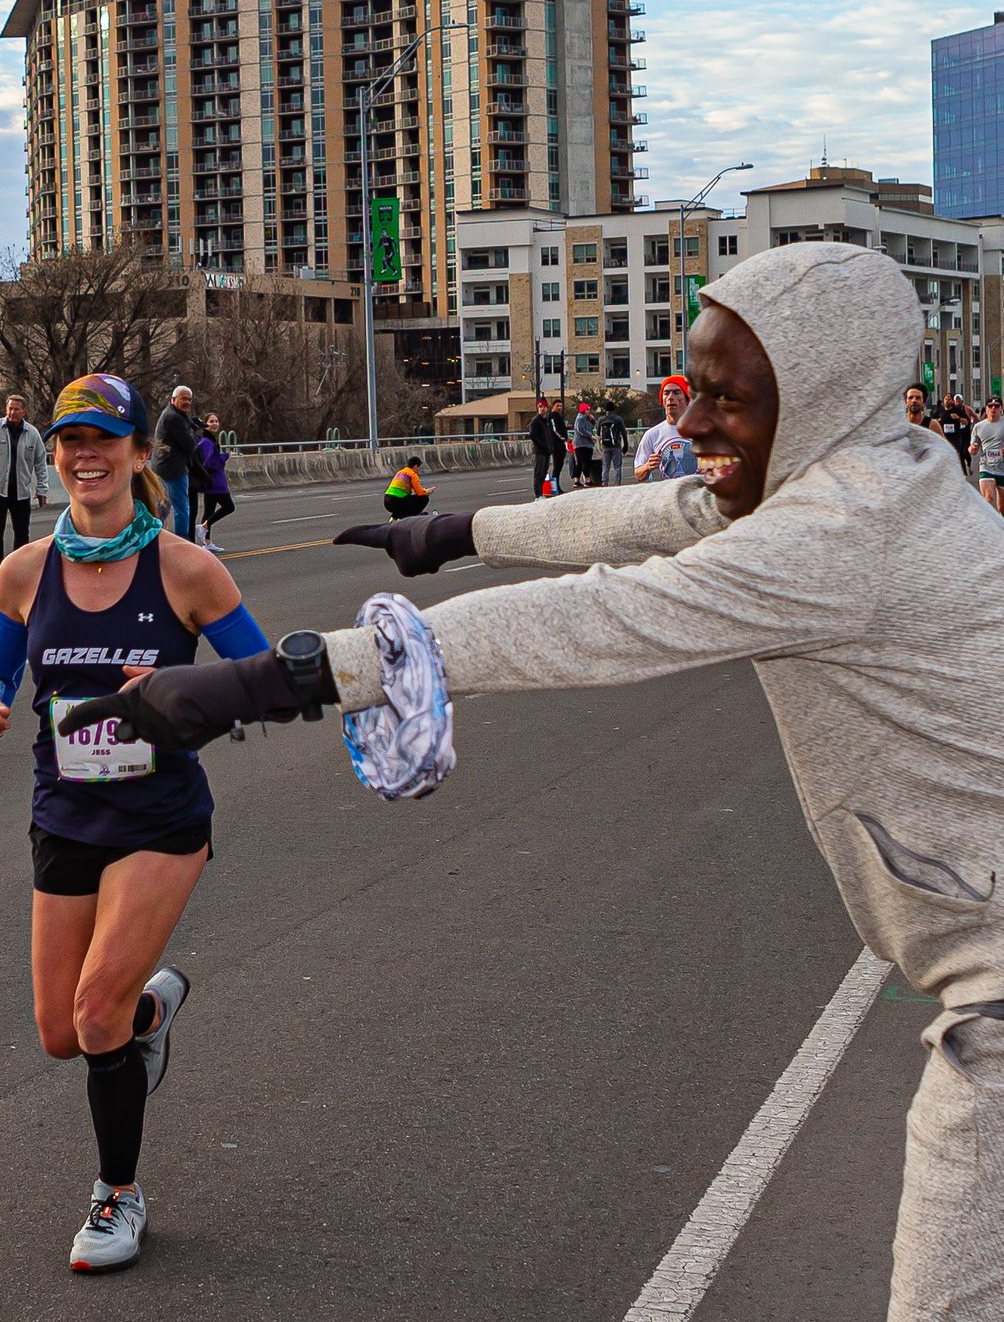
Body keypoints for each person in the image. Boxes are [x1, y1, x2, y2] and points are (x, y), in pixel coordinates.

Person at [60, 243, 1004, 1320]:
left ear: (824, 392)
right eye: (690, 390)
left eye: (726, 400)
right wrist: (461, 530)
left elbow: (602, 614)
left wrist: (274, 678)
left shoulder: (841, 532)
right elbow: (637, 515)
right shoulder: (865, 468)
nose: (690, 426)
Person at [0, 371, 277, 1275]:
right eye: (70, 441)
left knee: (92, 1014)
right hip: (65, 809)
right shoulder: (25, 572)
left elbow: (261, 684)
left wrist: (180, 695)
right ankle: (150, 1007)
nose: (84, 455)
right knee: (65, 1030)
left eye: (104, 439)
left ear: (140, 453)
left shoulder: (185, 568)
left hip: (160, 818)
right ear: (54, 455)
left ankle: (118, 1194)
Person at [0, 393, 50, 569]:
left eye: (16, 409)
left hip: (21, 491)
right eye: (10, 408)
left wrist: (42, 489)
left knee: (22, 532)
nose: (12, 412)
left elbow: (40, 463)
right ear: (6, 409)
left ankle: (20, 569)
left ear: (24, 412)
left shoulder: (32, 434)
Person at [150, 386, 199, 541]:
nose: (187, 402)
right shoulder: (173, 418)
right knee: (182, 508)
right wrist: (198, 432)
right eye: (183, 398)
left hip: (163, 466)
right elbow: (190, 445)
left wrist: (192, 425)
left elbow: (185, 427)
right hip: (172, 468)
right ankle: (182, 542)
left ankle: (153, 538)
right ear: (173, 399)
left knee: (162, 506)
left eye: (189, 399)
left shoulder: (175, 414)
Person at [634, 374, 698, 483]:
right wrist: (648, 466)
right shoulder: (652, 435)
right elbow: (638, 474)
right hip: (667, 496)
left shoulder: (701, 432)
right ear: (662, 401)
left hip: (695, 494)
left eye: (676, 392)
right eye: (666, 393)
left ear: (687, 400)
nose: (670, 397)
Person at [195, 413, 234, 554]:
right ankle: (204, 526)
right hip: (215, 481)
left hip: (210, 482)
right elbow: (210, 463)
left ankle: (207, 542)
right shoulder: (206, 442)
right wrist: (225, 456)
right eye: (211, 421)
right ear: (205, 424)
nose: (215, 424)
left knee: (209, 510)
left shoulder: (207, 440)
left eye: (217, 421)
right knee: (229, 506)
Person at [528, 397, 566, 497]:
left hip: (547, 451)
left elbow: (549, 435)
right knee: (539, 473)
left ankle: (541, 493)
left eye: (544, 406)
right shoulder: (535, 421)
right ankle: (538, 495)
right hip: (539, 451)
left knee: (544, 473)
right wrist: (543, 446)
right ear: (537, 408)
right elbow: (533, 436)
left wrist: (550, 447)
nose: (542, 408)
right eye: (540, 407)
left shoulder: (546, 420)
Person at [972, 398, 1004, 515]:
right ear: (986, 409)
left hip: (1002, 468)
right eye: (990, 406)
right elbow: (973, 447)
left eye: (996, 406)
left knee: (1002, 508)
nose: (993, 408)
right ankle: (990, 529)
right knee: (988, 499)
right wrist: (973, 449)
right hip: (986, 467)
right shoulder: (978, 427)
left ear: (1001, 408)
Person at [382, 455, 430, 520]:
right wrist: (427, 492)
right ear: (415, 466)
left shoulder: (400, 472)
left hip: (387, 501)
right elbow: (420, 493)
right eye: (419, 467)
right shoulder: (413, 474)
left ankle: (394, 518)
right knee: (424, 498)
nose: (419, 469)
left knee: (406, 502)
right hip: (396, 501)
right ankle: (411, 518)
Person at [941, 393, 975, 477]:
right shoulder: (940, 411)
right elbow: (933, 421)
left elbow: (967, 421)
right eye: (946, 399)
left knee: (961, 454)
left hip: (957, 436)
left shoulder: (958, 411)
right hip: (944, 437)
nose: (947, 400)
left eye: (949, 399)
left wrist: (958, 418)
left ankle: (963, 472)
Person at [570, 399, 599, 487]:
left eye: (589, 410)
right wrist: (591, 436)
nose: (588, 411)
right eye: (587, 409)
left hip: (580, 444)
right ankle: (587, 480)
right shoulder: (580, 418)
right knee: (586, 462)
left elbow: (593, 425)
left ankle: (576, 480)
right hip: (583, 444)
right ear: (583, 410)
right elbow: (580, 429)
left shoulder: (585, 418)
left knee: (579, 463)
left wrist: (592, 420)